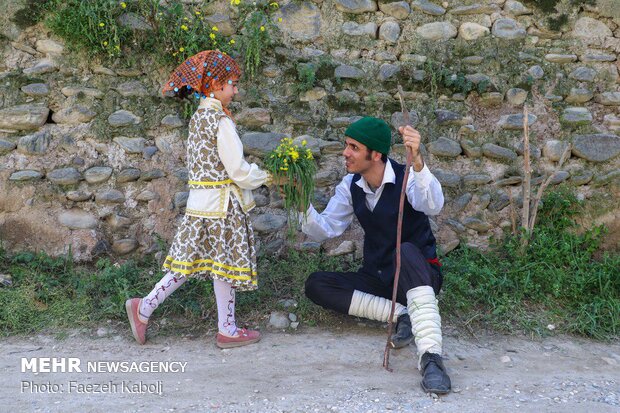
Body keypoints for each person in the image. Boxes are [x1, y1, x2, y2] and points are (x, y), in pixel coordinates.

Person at [125, 50, 271, 349]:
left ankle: (145, 308)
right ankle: (226, 328)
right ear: (215, 85)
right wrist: (268, 176)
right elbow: (239, 172)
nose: (236, 89)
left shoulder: (198, 118)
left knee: (186, 265)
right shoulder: (221, 121)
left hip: (200, 204)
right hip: (222, 206)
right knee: (224, 265)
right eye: (232, 83)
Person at [300, 117, 451, 394]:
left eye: (354, 147)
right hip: (379, 277)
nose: (346, 153)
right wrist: (299, 200)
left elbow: (433, 205)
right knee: (316, 284)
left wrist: (417, 161)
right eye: (347, 145)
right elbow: (325, 228)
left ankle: (432, 359)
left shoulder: (407, 178)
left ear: (376, 154)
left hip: (417, 276)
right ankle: (401, 314)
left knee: (405, 250)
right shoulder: (351, 185)